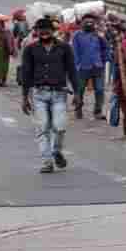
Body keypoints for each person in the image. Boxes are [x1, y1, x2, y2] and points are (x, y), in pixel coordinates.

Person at [21, 18, 79, 174]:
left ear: (53, 31)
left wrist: (77, 93)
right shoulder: (30, 49)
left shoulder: (65, 48)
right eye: (40, 30)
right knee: (43, 127)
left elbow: (72, 71)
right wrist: (24, 97)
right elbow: (26, 74)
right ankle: (47, 161)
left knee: (59, 127)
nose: (44, 32)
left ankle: (56, 151)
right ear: (36, 32)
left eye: (47, 29)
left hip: (59, 93)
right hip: (38, 94)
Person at [72, 14, 108, 120]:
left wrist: (104, 59)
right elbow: (74, 51)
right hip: (82, 67)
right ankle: (78, 109)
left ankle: (98, 111)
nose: (89, 24)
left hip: (97, 66)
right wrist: (76, 65)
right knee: (80, 89)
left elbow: (106, 48)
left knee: (100, 89)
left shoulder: (98, 35)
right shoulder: (77, 35)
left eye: (91, 22)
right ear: (82, 24)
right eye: (86, 22)